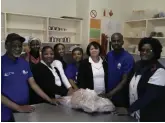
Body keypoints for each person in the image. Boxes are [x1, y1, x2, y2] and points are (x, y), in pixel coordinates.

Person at [1, 33, 58, 122]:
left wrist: (49, 99)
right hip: (6, 113)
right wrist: (18, 107)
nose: (17, 49)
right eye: (14, 46)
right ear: (6, 46)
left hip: (25, 109)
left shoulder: (24, 63)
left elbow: (33, 84)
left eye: (19, 46)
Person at [117, 38, 165, 122]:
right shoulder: (138, 65)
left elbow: (149, 96)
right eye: (142, 50)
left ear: (155, 52)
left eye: (148, 50)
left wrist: (129, 110)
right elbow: (127, 85)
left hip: (151, 115)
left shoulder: (159, 71)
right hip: (135, 113)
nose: (144, 53)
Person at [104, 33, 134, 107]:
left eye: (118, 41)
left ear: (122, 42)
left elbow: (125, 80)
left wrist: (110, 94)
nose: (116, 43)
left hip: (121, 97)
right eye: (114, 41)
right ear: (111, 43)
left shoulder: (128, 58)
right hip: (109, 95)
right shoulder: (109, 55)